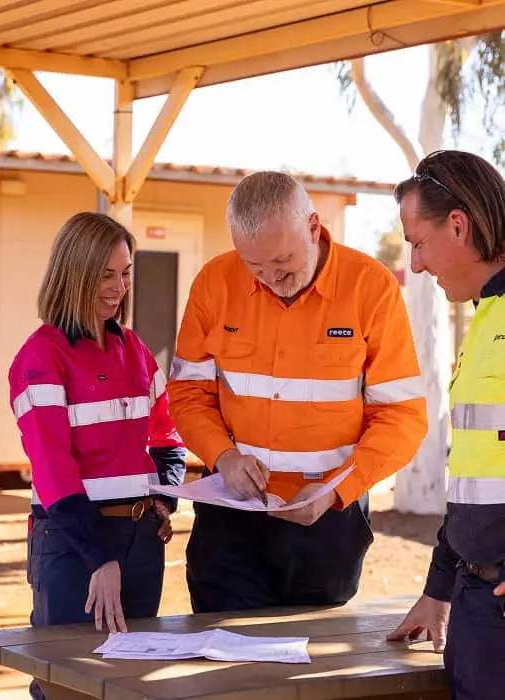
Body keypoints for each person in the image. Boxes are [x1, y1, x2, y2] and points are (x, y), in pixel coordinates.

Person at [167, 171, 428, 613]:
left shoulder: (372, 288)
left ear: (313, 227)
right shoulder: (213, 283)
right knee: (225, 663)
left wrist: (335, 492)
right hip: (231, 521)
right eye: (254, 266)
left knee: (309, 664)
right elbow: (189, 393)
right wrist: (224, 457)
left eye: (283, 261)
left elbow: (401, 416)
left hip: (328, 521)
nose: (270, 277)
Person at [8, 212, 186, 700]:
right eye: (105, 275)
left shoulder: (136, 350)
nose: (118, 286)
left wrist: (164, 503)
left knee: (132, 683)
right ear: (74, 273)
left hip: (141, 540)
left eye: (125, 272)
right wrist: (100, 558)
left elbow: (167, 439)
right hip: (73, 543)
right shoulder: (40, 356)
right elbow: (52, 468)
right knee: (67, 683)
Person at [387, 150, 505, 700]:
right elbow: (475, 481)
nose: (414, 264)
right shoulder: (485, 318)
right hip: (474, 600)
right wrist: (440, 589)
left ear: (458, 225)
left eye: (418, 243)